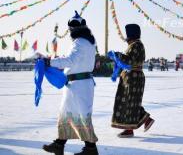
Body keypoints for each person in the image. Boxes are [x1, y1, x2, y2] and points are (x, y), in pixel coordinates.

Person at [42, 11, 98, 155]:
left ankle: (91, 149)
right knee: (67, 115)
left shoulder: (80, 43)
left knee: (82, 117)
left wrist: (50, 61)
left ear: (73, 29)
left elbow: (70, 60)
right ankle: (59, 144)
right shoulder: (87, 42)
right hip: (77, 85)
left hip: (79, 86)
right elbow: (72, 61)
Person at [111, 24, 154, 138]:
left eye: (128, 33)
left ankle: (129, 129)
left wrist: (117, 55)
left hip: (133, 78)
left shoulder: (136, 45)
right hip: (131, 77)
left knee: (129, 103)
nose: (126, 36)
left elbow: (130, 60)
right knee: (130, 102)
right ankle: (145, 120)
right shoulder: (134, 45)